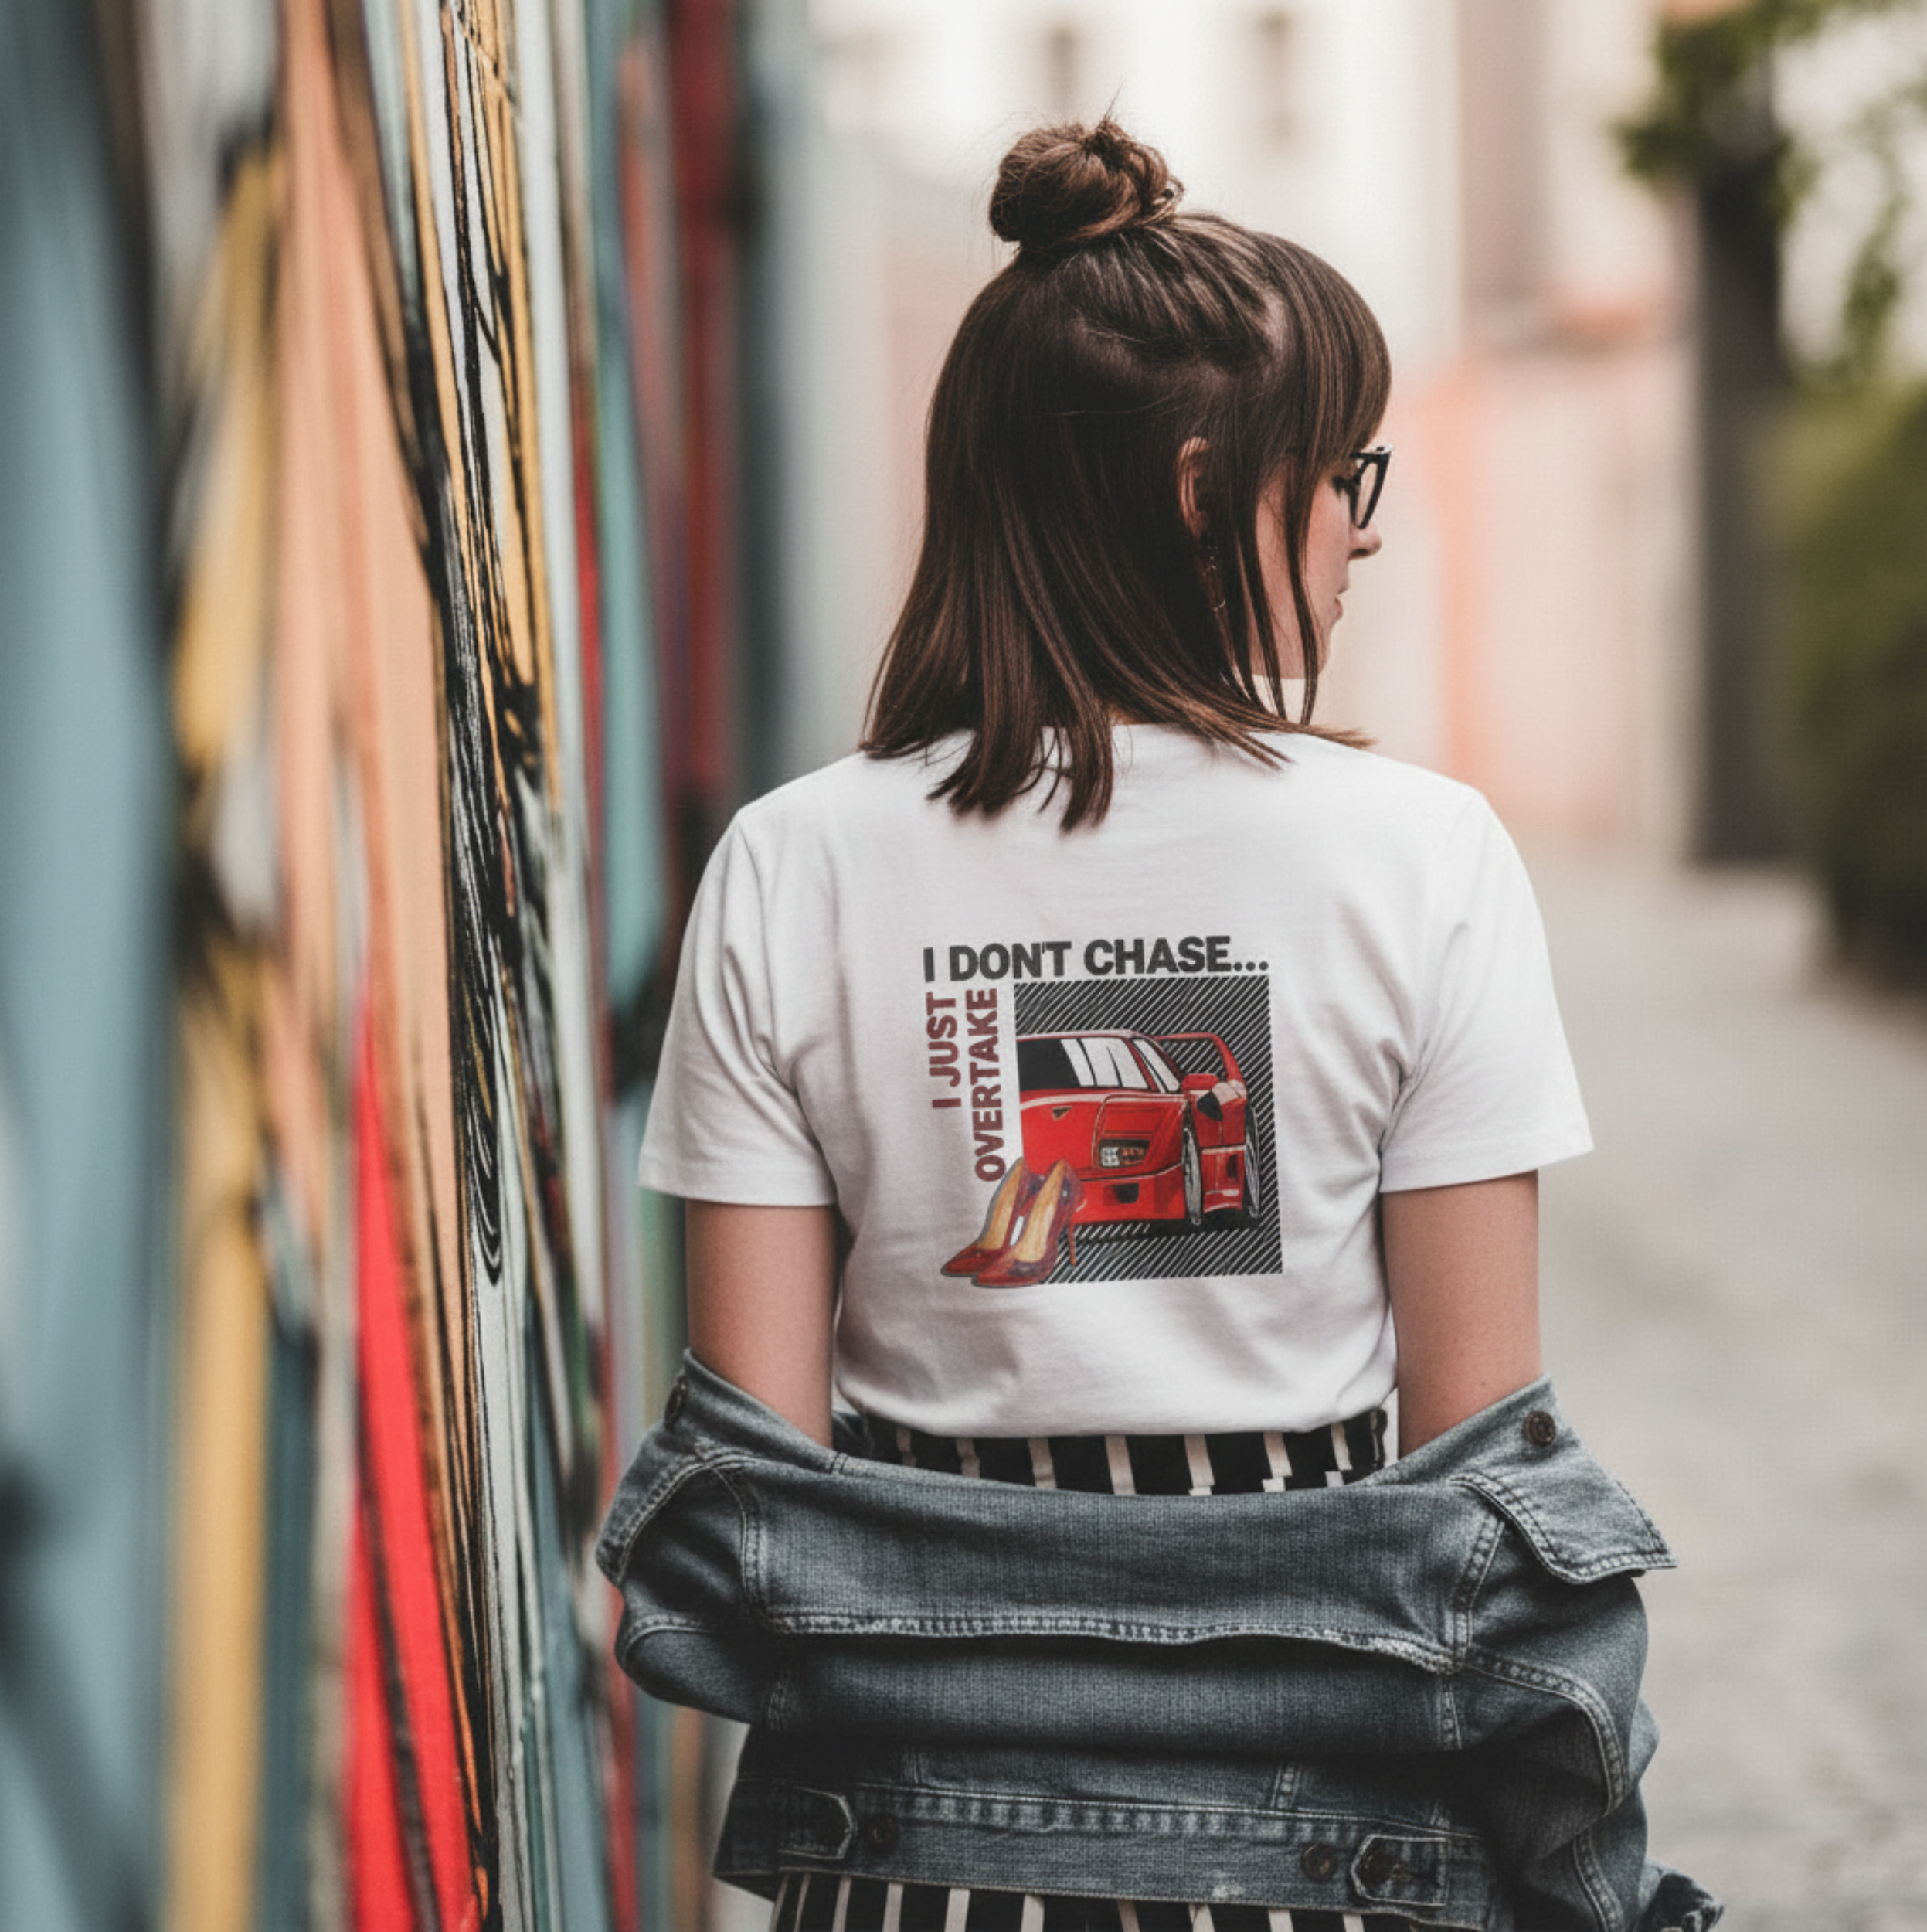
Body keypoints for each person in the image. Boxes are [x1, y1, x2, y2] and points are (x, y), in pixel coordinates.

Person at [600, 120, 1721, 1932]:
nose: (1365, 521)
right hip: (1331, 1852)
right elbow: (1473, 1467)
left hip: (903, 1855)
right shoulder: (1419, 855)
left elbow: (762, 1493)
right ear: (1206, 491)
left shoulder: (788, 866)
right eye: (1340, 470)